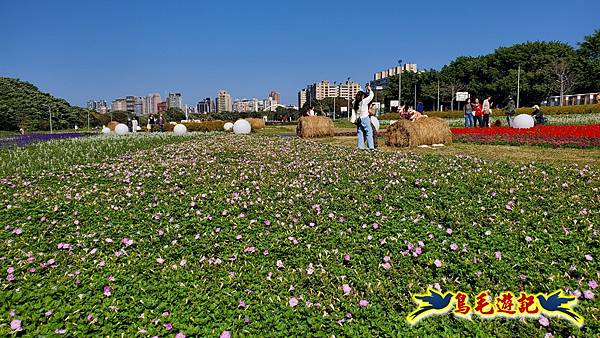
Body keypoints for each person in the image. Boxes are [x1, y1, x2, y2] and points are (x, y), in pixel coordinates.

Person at [354, 84, 374, 149]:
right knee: (369, 132)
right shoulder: (364, 101)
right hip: (365, 118)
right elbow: (371, 96)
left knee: (360, 133)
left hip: (358, 119)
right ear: (362, 96)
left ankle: (360, 147)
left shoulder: (354, 103)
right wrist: (369, 89)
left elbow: (354, 100)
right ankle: (371, 147)